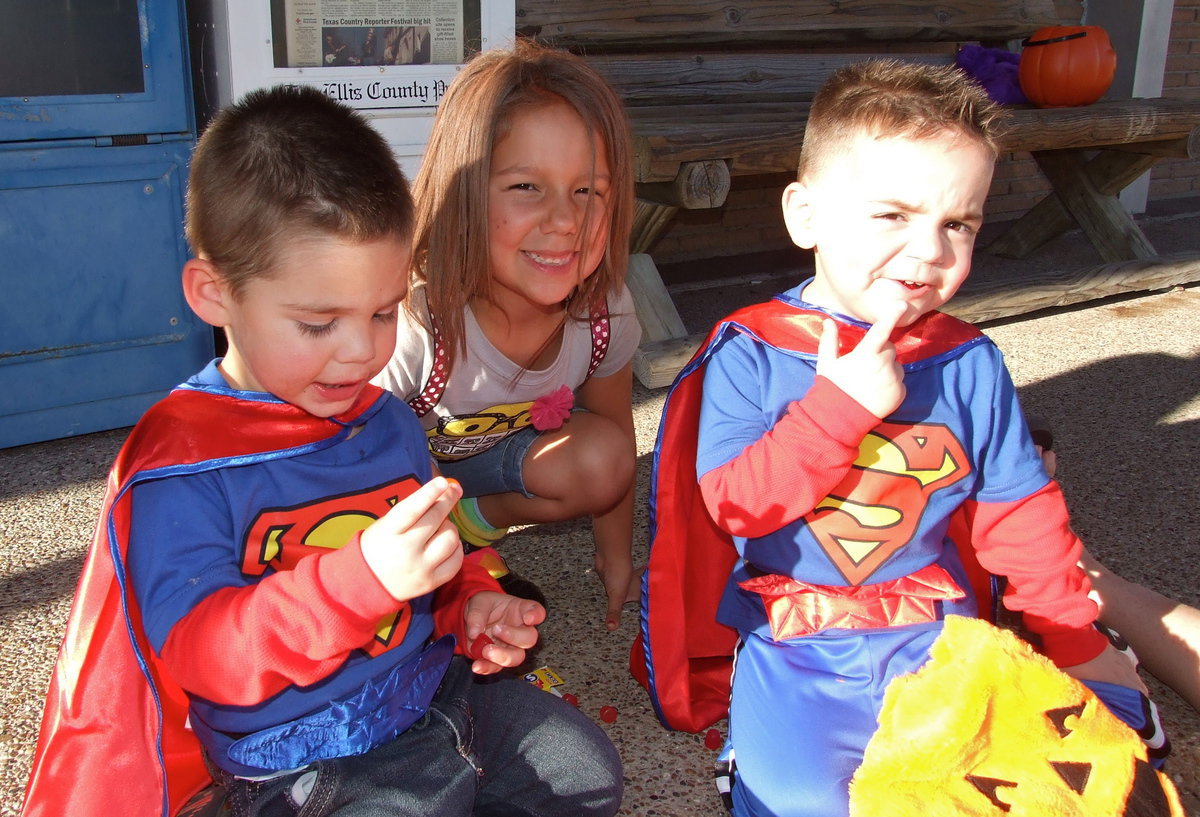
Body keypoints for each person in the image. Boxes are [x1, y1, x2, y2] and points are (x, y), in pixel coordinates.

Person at [20, 85, 622, 817]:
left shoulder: (388, 421)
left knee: (587, 772)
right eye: (317, 323)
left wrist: (472, 603)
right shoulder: (184, 464)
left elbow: (440, 553)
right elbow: (205, 655)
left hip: (431, 690)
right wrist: (360, 581)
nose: (361, 352)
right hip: (300, 753)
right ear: (213, 294)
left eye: (382, 312)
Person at [632, 59, 1157, 817]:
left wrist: (1076, 641)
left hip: (938, 638)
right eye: (893, 214)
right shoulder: (753, 353)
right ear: (806, 215)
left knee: (1064, 784)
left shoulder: (967, 360)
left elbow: (1022, 517)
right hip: (798, 644)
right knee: (806, 804)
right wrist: (838, 408)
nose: (930, 249)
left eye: (957, 223)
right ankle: (749, 759)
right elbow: (738, 506)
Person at [374, 40, 642, 631]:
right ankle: (451, 560)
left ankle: (468, 528)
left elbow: (617, 437)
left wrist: (617, 558)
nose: (565, 221)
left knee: (604, 459)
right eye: (527, 187)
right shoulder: (410, 320)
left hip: (480, 474)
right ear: (463, 191)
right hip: (390, 483)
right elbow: (335, 471)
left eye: (588, 190)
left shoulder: (604, 313)